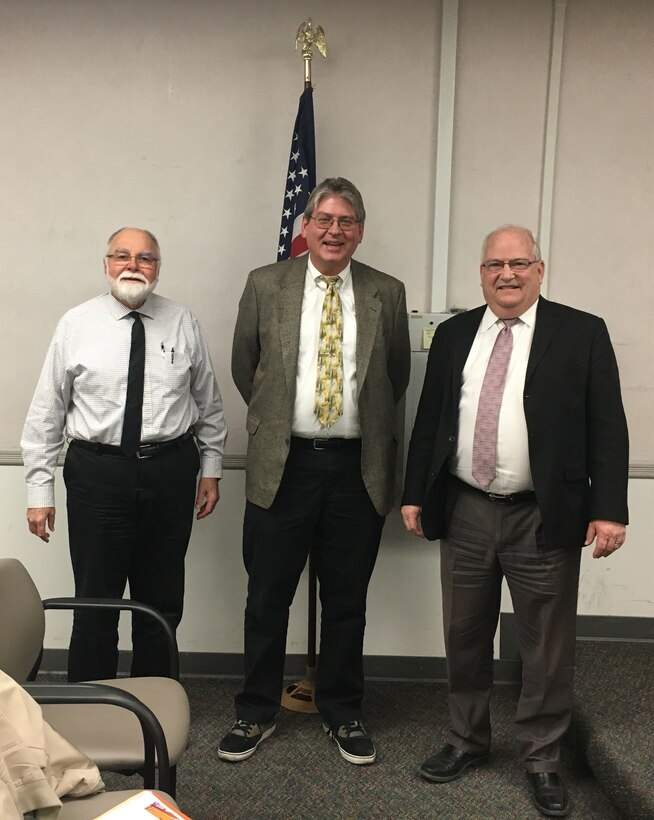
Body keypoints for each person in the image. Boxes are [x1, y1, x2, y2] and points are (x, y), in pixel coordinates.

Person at [401, 225, 628, 817]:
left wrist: (609, 509)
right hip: (466, 509)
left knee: (546, 646)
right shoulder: (454, 335)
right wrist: (414, 493)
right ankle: (466, 739)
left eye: (519, 263)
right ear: (481, 273)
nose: (507, 274)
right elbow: (430, 420)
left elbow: (608, 425)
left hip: (543, 514)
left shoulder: (581, 332)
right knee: (463, 635)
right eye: (495, 265)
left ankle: (542, 757)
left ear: (539, 270)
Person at [219, 177, 410, 765]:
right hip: (285, 465)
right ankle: (255, 712)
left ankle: (343, 711)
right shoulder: (265, 284)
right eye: (324, 219)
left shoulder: (386, 292)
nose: (334, 231)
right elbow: (247, 367)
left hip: (357, 469)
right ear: (305, 227)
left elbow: (394, 378)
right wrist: (284, 421)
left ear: (360, 231)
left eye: (346, 221)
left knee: (347, 600)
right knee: (266, 597)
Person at [21, 227, 226, 681]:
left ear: (158, 268)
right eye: (122, 256)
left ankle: (156, 701)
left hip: (170, 471)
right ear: (107, 265)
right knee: (96, 603)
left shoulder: (183, 321)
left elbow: (208, 403)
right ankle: (90, 701)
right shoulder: (76, 324)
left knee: (162, 603)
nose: (133, 265)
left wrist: (211, 469)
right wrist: (39, 491)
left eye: (145, 257)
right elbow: (46, 411)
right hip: (98, 474)